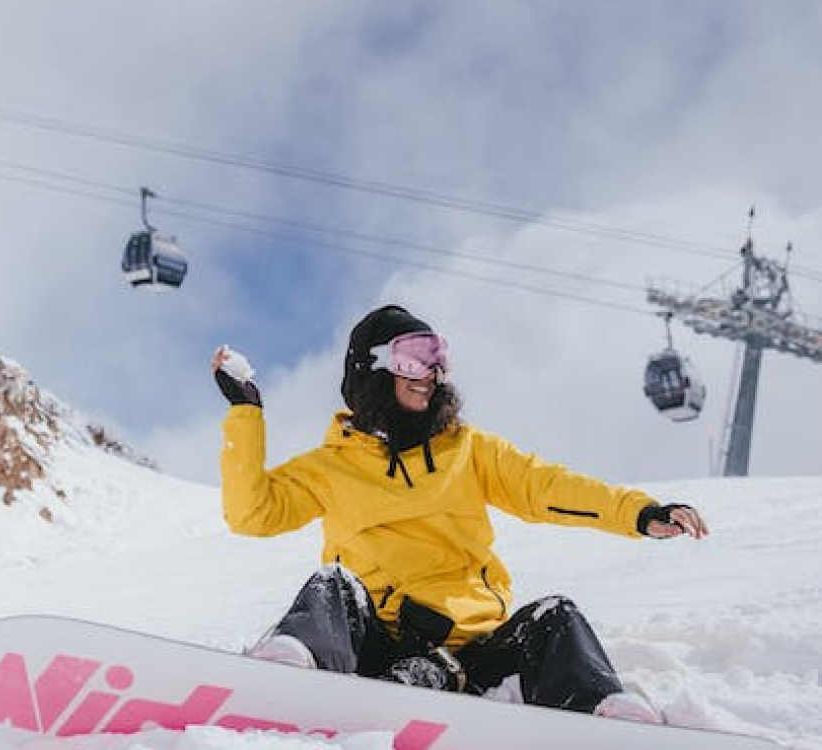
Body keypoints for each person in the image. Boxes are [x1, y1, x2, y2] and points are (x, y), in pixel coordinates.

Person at [211, 304, 708, 724]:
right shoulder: (331, 467)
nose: (431, 372)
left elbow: (547, 487)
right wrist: (245, 415)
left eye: (437, 357)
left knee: (555, 616)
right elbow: (253, 513)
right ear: (374, 369)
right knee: (333, 585)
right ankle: (292, 675)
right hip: (378, 642)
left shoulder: (468, 451)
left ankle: (602, 716)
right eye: (414, 358)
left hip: (474, 651)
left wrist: (639, 513)